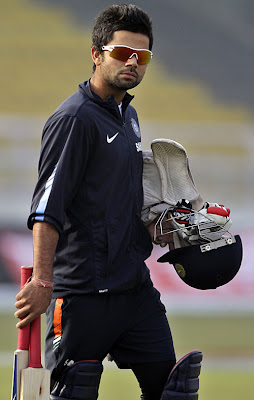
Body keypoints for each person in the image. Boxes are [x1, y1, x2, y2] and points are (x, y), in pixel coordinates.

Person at [14, 4, 202, 400]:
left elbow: (119, 200)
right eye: (121, 53)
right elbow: (48, 208)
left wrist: (159, 226)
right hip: (82, 293)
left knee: (174, 390)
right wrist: (42, 280)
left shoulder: (127, 116)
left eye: (142, 56)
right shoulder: (75, 119)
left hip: (134, 289)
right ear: (97, 54)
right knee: (72, 394)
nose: (132, 62)